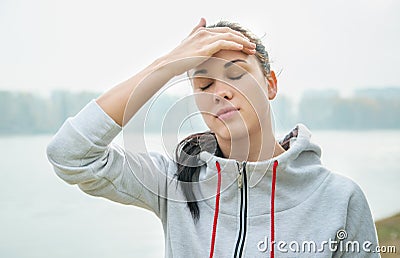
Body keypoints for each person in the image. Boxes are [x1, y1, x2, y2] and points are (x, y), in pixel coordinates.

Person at [46, 18, 380, 257]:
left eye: (236, 74)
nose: (221, 92)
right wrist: (166, 65)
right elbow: (70, 155)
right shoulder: (174, 183)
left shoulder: (339, 199)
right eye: (204, 86)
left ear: (271, 84)